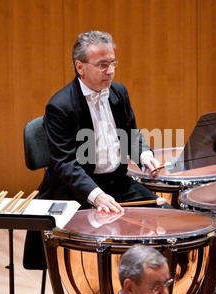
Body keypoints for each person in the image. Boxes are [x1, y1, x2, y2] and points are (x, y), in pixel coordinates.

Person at [23, 31, 170, 270]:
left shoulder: (118, 92)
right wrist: (96, 195)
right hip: (75, 191)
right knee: (98, 246)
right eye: (102, 65)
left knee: (169, 220)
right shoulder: (60, 106)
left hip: (117, 184)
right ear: (80, 67)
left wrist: (145, 156)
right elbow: (64, 163)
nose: (110, 71)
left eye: (113, 63)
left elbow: (131, 133)